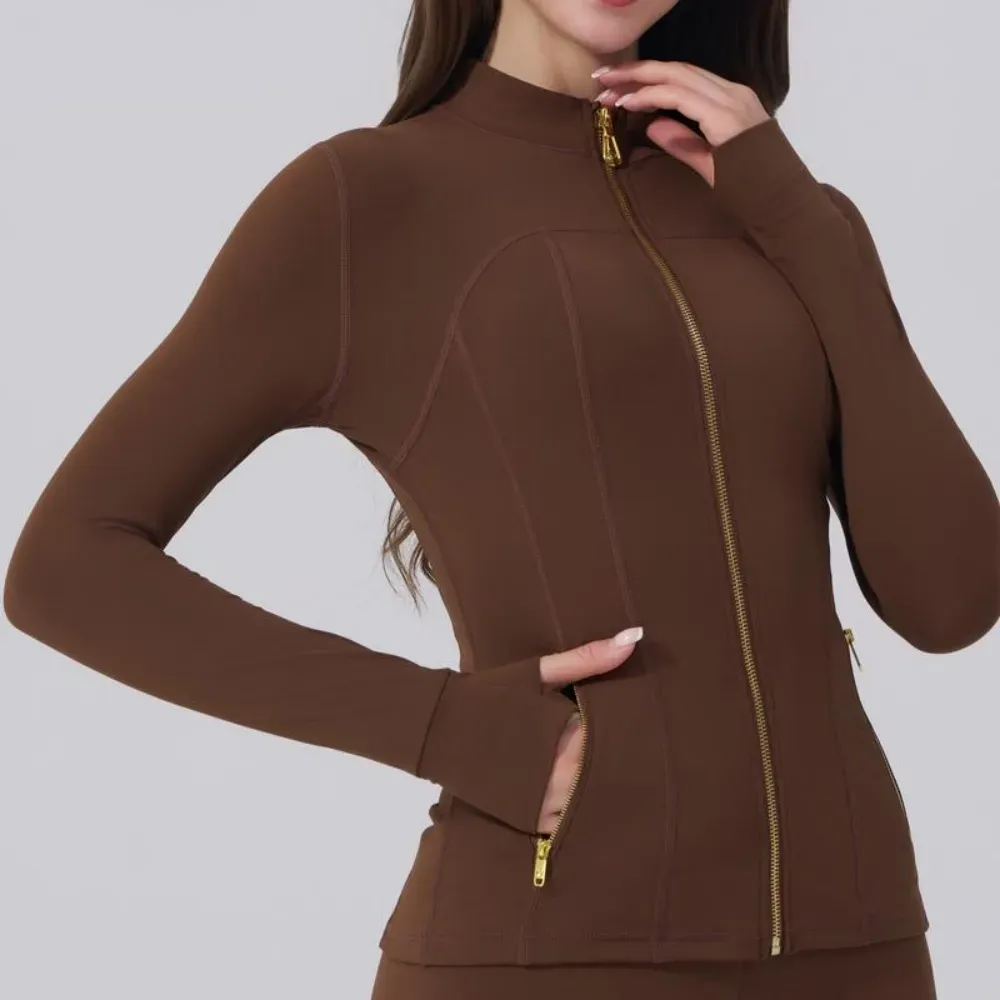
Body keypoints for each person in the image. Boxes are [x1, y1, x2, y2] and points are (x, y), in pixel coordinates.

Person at [5, 0, 998, 996]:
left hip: (856, 947)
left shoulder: (791, 215)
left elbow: (951, 599)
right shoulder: (369, 201)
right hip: (543, 953)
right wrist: (446, 726)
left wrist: (804, 226)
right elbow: (68, 565)